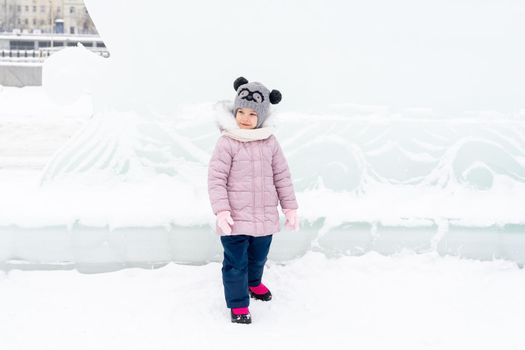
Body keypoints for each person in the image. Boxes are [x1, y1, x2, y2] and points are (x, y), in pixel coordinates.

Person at [207, 77, 299, 324]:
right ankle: (238, 304)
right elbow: (216, 179)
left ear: (262, 115)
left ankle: (254, 282)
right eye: (241, 112)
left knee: (258, 257)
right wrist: (221, 211)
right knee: (236, 263)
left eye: (252, 113)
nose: (245, 118)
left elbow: (282, 175)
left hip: (264, 217)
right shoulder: (227, 142)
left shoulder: (269, 141)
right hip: (235, 220)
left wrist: (290, 207)